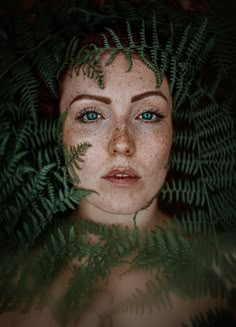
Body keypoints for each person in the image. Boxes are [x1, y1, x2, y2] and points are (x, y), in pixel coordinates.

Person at [0, 0, 235, 326]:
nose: (122, 143)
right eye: (91, 114)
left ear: (174, 129)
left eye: (149, 114)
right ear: (58, 131)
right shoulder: (8, 287)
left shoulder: (228, 274)